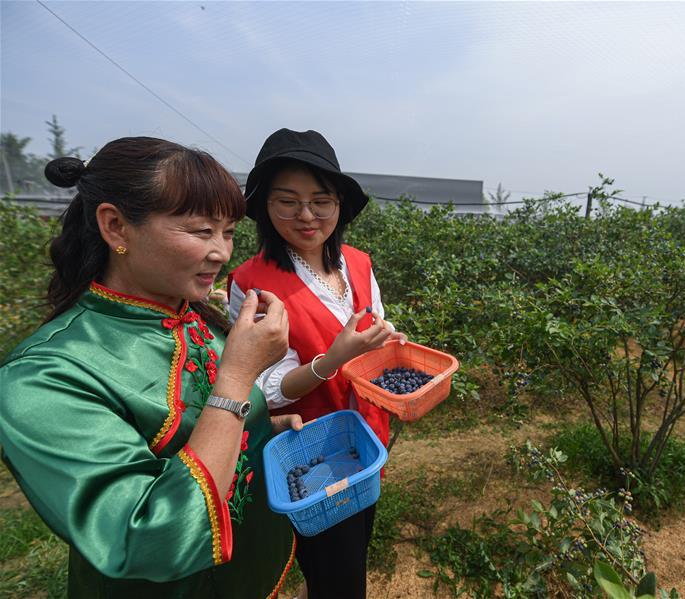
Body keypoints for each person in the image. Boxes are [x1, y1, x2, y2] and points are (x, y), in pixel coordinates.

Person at [0, 137, 302, 598]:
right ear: (116, 226)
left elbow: (199, 422)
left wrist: (259, 425)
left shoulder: (192, 314)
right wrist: (238, 377)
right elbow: (149, 535)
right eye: (201, 231)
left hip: (250, 569)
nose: (222, 252)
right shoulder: (42, 377)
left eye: (227, 232)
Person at [228, 128, 405, 598]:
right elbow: (263, 389)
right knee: (338, 575)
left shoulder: (358, 263)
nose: (306, 216)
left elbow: (375, 326)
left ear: (339, 205)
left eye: (321, 201)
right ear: (265, 206)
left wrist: (389, 342)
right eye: (287, 202)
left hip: (366, 437)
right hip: (312, 455)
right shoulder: (252, 284)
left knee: (352, 550)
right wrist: (333, 360)